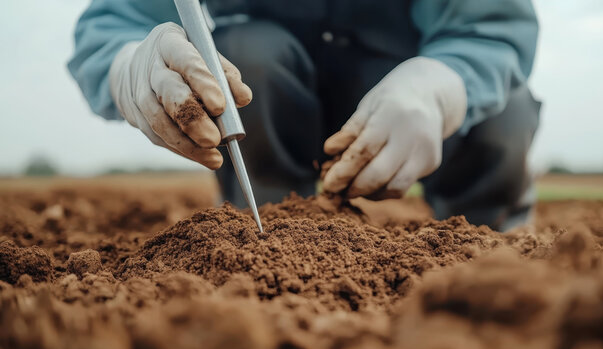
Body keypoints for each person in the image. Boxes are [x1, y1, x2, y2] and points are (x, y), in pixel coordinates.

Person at [69, 0, 540, 231]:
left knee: (501, 106)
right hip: (265, 100)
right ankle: (271, 227)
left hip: (403, 102)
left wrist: (440, 86)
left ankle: (491, 244)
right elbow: (114, 22)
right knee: (246, 53)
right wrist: (129, 64)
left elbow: (491, 26)